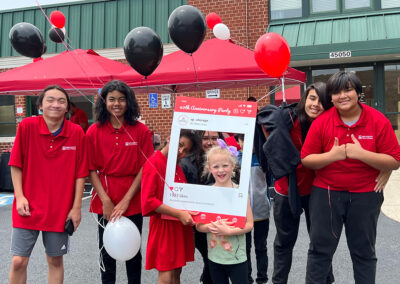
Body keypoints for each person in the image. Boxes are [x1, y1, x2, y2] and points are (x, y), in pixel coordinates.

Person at [301, 71, 400, 284]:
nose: (342, 96)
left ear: (358, 92)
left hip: (365, 195)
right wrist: (332, 156)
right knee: (319, 252)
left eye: (348, 89)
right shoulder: (323, 122)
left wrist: (361, 154)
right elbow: (307, 159)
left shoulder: (377, 120)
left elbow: (394, 159)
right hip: (326, 194)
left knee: (363, 253)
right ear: (331, 97)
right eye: (336, 92)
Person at [8, 85, 88, 284]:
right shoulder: (27, 126)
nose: (56, 104)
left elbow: (81, 173)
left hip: (59, 209)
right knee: (19, 261)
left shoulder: (77, 132)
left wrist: (77, 207)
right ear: (41, 105)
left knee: (54, 259)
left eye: (61, 101)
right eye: (50, 100)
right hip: (27, 206)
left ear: (68, 107)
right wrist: (20, 197)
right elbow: (15, 164)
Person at [265, 82, 336, 284]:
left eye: (321, 101)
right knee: (284, 244)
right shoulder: (287, 119)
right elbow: (263, 122)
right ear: (305, 99)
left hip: (317, 191)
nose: (315, 105)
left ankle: (325, 280)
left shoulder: (329, 124)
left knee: (321, 242)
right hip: (287, 191)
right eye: (312, 98)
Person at [86, 80, 153, 284]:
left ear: (129, 102)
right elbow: (90, 169)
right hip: (105, 198)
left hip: (132, 199)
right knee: (106, 251)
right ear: (104, 101)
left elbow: (146, 167)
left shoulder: (141, 130)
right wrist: (106, 200)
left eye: (122, 99)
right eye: (112, 99)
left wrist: (126, 200)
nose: (117, 103)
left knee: (133, 251)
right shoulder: (94, 131)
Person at [141, 130, 200, 284]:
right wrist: (179, 213)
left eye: (186, 150)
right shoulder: (154, 162)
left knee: (177, 271)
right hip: (164, 226)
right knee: (166, 273)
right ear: (169, 138)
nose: (181, 151)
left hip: (178, 225)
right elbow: (148, 200)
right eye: (180, 145)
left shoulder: (175, 166)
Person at [196, 142, 254, 284]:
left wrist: (229, 231)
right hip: (215, 257)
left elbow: (249, 224)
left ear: (232, 166)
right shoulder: (207, 194)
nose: (221, 170)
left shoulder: (240, 193)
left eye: (225, 165)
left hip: (237, 257)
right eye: (216, 166)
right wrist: (212, 226)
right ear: (209, 168)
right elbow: (199, 226)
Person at [237, 134, 271, 284]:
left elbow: (270, 180)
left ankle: (262, 279)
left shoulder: (263, 158)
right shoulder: (234, 159)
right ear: (238, 141)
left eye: (250, 138)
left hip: (261, 210)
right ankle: (247, 278)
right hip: (242, 212)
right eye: (243, 139)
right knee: (245, 248)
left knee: (261, 247)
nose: (246, 143)